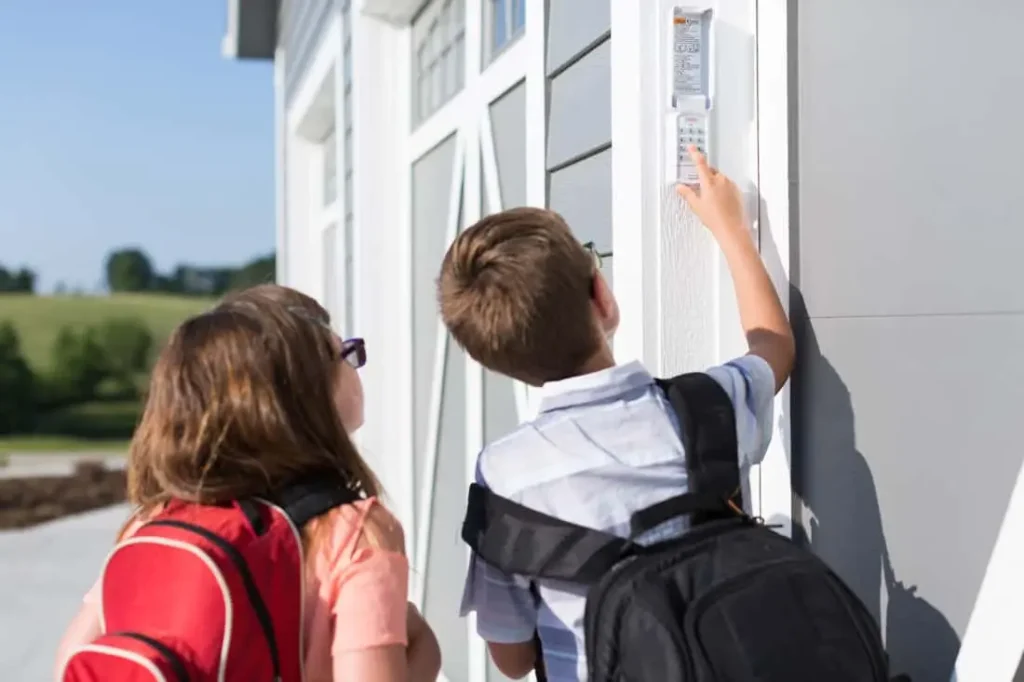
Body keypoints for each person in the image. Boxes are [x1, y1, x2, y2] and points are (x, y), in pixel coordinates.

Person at [438, 147, 794, 681]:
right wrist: (732, 230)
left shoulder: (505, 476)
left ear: (493, 360)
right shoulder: (706, 407)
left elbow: (511, 660)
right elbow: (775, 347)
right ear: (602, 297)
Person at [53, 285, 441, 682]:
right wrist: (425, 652)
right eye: (345, 354)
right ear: (301, 393)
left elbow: (71, 657)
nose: (355, 368)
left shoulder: (154, 521)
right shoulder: (352, 532)